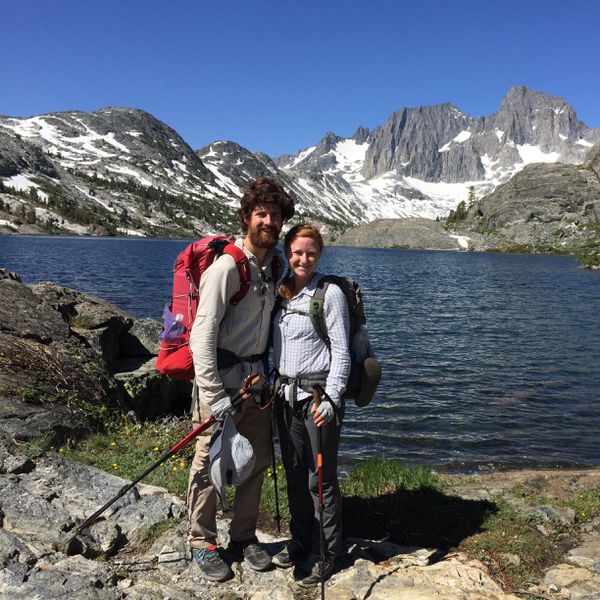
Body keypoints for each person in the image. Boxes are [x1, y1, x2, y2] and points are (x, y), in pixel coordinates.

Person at [187, 176, 295, 582]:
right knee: (209, 460)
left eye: (276, 215)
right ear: (247, 217)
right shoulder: (227, 267)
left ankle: (244, 536)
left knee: (257, 459)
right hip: (221, 384)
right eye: (261, 213)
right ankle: (201, 542)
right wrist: (214, 395)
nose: (269, 221)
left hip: (257, 384)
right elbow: (201, 337)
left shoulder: (275, 267)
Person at [271, 224, 351, 586]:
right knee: (293, 472)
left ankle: (327, 552)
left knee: (321, 480)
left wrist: (332, 399)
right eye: (297, 253)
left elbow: (342, 352)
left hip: (318, 400)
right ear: (288, 253)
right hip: (284, 399)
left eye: (311, 253)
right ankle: (300, 539)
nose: (303, 259)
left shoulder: (329, 294)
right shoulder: (282, 292)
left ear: (320, 255)